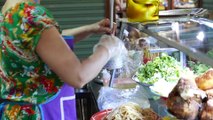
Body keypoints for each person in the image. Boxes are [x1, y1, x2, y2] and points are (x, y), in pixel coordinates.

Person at [0, 0, 125, 119]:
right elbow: (78, 76)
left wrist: (90, 29)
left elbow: (48, 44)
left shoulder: (10, 9)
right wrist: (108, 48)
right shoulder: (31, 16)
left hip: (15, 113)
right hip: (39, 114)